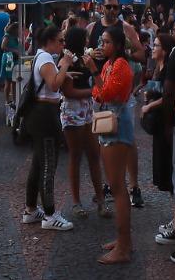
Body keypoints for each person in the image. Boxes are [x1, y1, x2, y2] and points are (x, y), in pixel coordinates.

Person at [92, 23, 139, 265]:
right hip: (110, 122)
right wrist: (98, 80)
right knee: (116, 185)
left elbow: (106, 93)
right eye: (102, 41)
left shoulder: (120, 65)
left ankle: (124, 246)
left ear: (118, 45)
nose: (103, 45)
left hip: (117, 125)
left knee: (118, 187)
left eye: (107, 42)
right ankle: (123, 241)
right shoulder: (110, 64)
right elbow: (98, 92)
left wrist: (93, 72)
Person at [22, 23, 73, 231]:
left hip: (41, 114)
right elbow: (53, 84)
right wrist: (65, 64)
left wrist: (63, 71)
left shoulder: (41, 56)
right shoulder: (45, 58)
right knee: (48, 165)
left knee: (38, 163)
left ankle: (31, 209)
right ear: (50, 41)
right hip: (45, 116)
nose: (63, 44)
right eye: (60, 41)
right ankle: (50, 215)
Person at [57, 26, 106, 217]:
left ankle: (100, 199)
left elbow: (99, 84)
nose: (87, 41)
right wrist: (93, 92)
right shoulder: (66, 60)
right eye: (84, 38)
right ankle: (77, 202)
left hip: (87, 109)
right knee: (76, 155)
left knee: (94, 153)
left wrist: (94, 69)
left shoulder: (86, 58)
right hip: (72, 110)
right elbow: (69, 92)